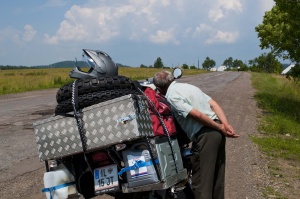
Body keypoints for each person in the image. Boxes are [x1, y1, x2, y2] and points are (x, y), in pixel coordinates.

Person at [152, 70, 239, 199]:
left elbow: (197, 115)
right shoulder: (189, 87)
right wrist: (225, 124)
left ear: (160, 88)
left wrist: (221, 127)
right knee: (217, 179)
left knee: (202, 182)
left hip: (206, 135)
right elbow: (213, 104)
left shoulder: (172, 96)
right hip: (217, 134)